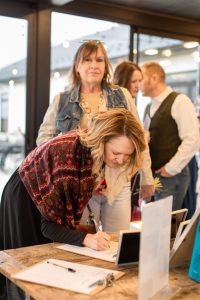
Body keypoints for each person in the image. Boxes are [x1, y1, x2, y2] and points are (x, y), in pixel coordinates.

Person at [0, 109, 146, 300]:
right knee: (27, 272)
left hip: (33, 191)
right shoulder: (68, 157)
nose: (120, 160)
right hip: (23, 199)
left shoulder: (90, 151)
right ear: (101, 140)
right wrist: (86, 238)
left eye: (127, 156)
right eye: (116, 153)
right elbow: (49, 226)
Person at [36, 40, 154, 231]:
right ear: (77, 66)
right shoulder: (62, 100)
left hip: (118, 183)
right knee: (84, 243)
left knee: (117, 242)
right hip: (81, 187)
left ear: (105, 66)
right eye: (87, 60)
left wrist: (147, 178)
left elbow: (139, 140)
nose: (94, 65)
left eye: (99, 60)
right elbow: (43, 141)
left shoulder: (122, 95)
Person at [141, 62, 200, 211]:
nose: (139, 84)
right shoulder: (149, 106)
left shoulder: (180, 101)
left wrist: (171, 168)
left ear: (154, 78)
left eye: (141, 79)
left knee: (166, 227)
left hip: (171, 177)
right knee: (152, 224)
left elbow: (193, 139)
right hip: (153, 176)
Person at [113, 61, 144, 216]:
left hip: (128, 169)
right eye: (134, 81)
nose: (138, 85)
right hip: (117, 171)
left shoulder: (131, 102)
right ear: (123, 80)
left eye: (140, 80)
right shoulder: (119, 101)